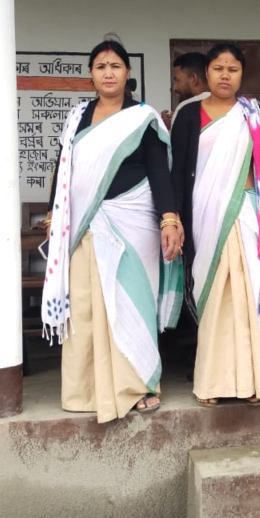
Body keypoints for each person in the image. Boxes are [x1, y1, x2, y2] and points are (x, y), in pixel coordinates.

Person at [41, 40, 183, 424]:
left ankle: (136, 386)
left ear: (128, 73)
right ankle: (85, 390)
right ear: (91, 74)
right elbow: (64, 170)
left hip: (133, 222)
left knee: (130, 302)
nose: (108, 72)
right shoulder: (76, 119)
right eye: (101, 66)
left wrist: (169, 218)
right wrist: (55, 216)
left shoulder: (142, 117)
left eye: (116, 65)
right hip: (84, 224)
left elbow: (159, 171)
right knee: (85, 305)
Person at [172, 43, 260, 407]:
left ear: (242, 74)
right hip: (205, 220)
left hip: (247, 216)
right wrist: (173, 219)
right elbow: (177, 176)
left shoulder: (254, 114)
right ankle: (212, 383)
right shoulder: (189, 115)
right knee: (215, 299)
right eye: (218, 68)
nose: (225, 75)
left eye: (232, 69)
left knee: (247, 296)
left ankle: (253, 381)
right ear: (206, 74)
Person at [162, 52, 210, 130]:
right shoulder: (227, 105)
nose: (175, 88)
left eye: (177, 80)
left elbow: (178, 142)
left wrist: (167, 129)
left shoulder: (185, 108)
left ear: (193, 79)